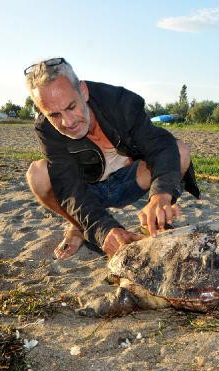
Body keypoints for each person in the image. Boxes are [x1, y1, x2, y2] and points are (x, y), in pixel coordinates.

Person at [23, 57, 199, 259]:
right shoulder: (46, 129)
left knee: (180, 150)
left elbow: (160, 146)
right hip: (89, 190)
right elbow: (70, 187)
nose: (68, 122)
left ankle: (154, 221)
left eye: (71, 107)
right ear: (42, 111)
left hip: (131, 180)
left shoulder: (121, 102)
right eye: (54, 114)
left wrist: (161, 195)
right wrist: (103, 230)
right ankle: (78, 226)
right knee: (38, 174)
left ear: (84, 91)